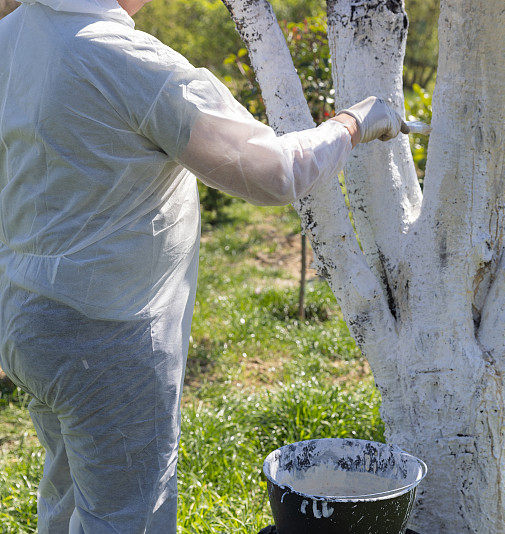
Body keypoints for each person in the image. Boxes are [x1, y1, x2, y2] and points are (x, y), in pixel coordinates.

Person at [0, 0, 409, 531]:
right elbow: (271, 172)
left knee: (67, 498)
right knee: (127, 517)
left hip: (27, 315)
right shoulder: (122, 59)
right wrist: (353, 122)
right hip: (104, 341)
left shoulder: (16, 34)